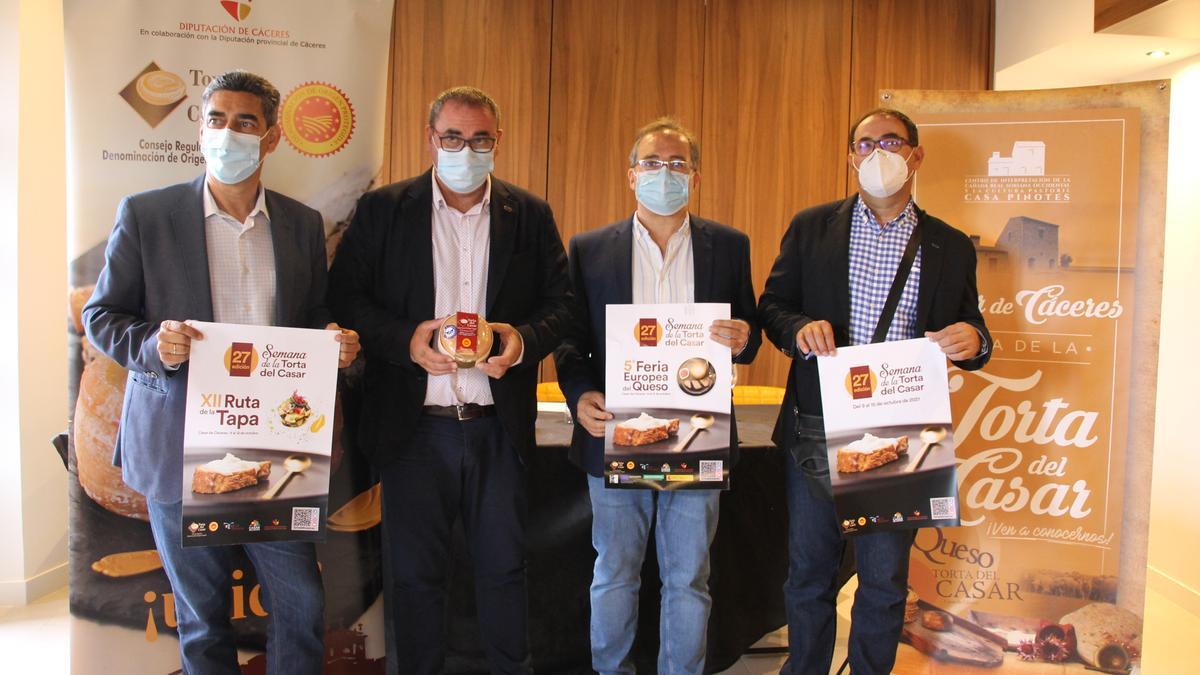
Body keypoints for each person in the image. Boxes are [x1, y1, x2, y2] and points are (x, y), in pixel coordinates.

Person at [83, 70, 361, 675]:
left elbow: (314, 314)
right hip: (180, 440)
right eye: (216, 119)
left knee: (300, 604)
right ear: (201, 127)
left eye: (244, 122)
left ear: (271, 137)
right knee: (202, 616)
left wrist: (333, 340)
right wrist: (156, 345)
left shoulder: (299, 223)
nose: (227, 134)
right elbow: (101, 315)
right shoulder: (147, 215)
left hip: (279, 449)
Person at [328, 86, 571, 674]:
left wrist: (522, 342)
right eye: (454, 138)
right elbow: (345, 300)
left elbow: (562, 305)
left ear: (498, 141)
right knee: (413, 579)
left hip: (497, 428)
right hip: (414, 431)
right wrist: (406, 339)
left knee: (504, 571)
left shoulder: (529, 214)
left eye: (480, 139)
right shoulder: (385, 209)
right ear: (431, 139)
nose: (467, 149)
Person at [758, 108, 991, 674]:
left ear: (915, 155)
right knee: (810, 573)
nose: (877, 153)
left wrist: (974, 340)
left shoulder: (950, 245)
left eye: (891, 141)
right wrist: (797, 329)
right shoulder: (812, 226)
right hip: (817, 423)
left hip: (902, 434)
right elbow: (773, 305)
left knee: (884, 581)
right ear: (850, 157)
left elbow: (973, 329)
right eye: (864, 144)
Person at [554, 117, 761, 675]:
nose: (663, 173)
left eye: (676, 164)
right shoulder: (590, 249)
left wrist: (744, 339)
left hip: (700, 433)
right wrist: (579, 396)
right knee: (614, 573)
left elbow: (749, 332)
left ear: (695, 175)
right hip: (615, 432)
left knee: (689, 578)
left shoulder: (729, 245)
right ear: (631, 176)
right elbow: (569, 340)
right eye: (652, 163)